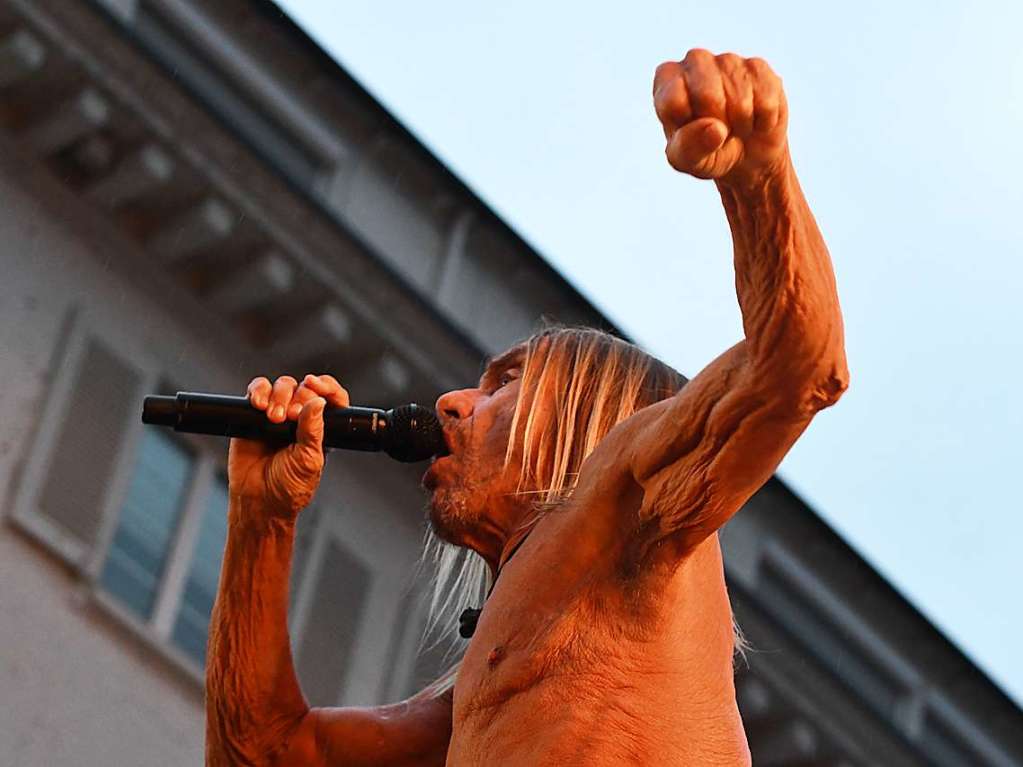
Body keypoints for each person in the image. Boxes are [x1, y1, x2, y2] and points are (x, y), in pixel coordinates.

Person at [205, 48, 849, 766]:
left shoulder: (625, 491)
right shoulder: (487, 690)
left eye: (504, 382)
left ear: (593, 420)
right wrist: (261, 521)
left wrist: (757, 178)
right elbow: (260, 753)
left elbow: (800, 371)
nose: (453, 400)